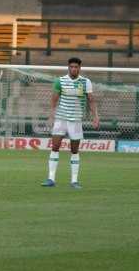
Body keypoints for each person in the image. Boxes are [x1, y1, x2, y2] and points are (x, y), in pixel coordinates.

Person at [41, 57, 99, 189]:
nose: (73, 69)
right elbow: (54, 100)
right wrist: (51, 116)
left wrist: (96, 116)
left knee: (74, 150)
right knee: (55, 147)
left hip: (76, 121)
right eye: (71, 67)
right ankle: (51, 178)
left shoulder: (86, 82)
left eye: (76, 67)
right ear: (68, 67)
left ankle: (74, 181)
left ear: (80, 68)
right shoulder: (60, 81)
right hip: (60, 119)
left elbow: (91, 100)